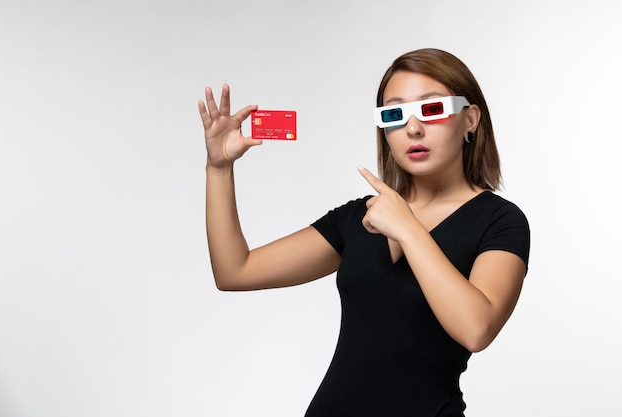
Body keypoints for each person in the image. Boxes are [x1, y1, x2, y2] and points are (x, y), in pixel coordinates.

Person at [199, 48, 530, 417]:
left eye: (432, 109)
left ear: (469, 119)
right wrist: (218, 170)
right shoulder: (360, 217)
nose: (413, 128)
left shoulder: (500, 221)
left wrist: (407, 227)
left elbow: (476, 328)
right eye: (395, 114)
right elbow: (234, 271)